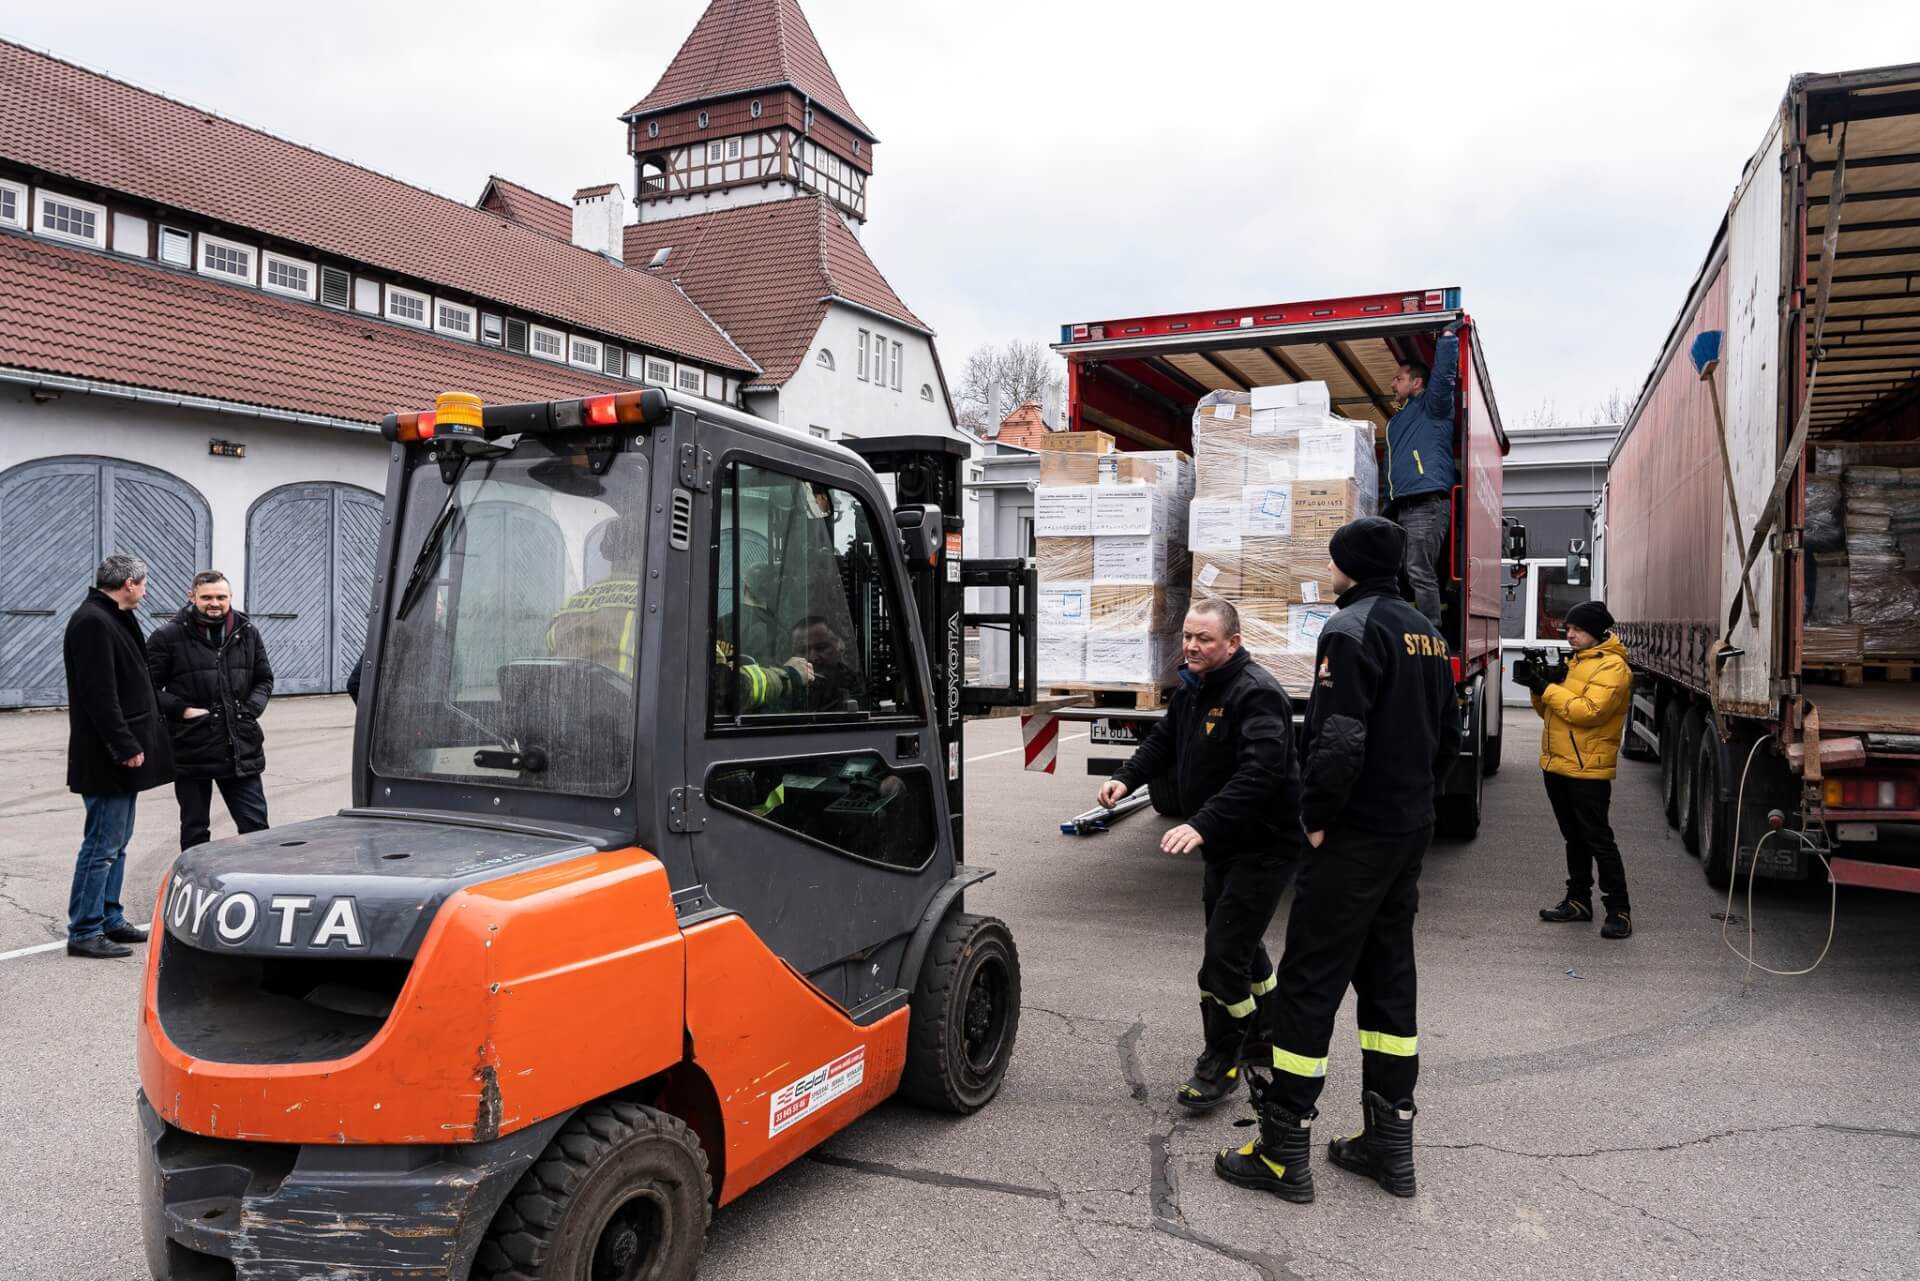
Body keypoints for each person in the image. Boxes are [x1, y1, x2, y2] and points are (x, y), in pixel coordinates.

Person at [1216, 516, 1456, 1203]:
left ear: (1349, 565)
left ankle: (1282, 1147)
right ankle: (1390, 1143)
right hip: (1405, 833)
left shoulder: (1349, 630)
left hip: (1351, 837)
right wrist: (1417, 804)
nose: (1329, 571)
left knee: (1309, 983)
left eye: (1333, 561)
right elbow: (1447, 737)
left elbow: (1340, 738)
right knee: (1388, 981)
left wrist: (1317, 819)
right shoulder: (1427, 632)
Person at [1098, 599, 1302, 1112]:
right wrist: (1125, 778)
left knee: (1221, 960)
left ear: (1232, 642)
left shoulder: (1256, 694)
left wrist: (1199, 823)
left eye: (1203, 639)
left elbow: (1260, 775)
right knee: (1239, 943)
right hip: (1226, 845)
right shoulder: (1194, 687)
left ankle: (1221, 1061)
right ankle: (1267, 1031)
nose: (1191, 646)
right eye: (1187, 636)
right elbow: (1164, 742)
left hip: (1264, 845)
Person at [62, 554, 175, 959]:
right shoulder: (93, 621)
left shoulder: (111, 616)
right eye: (143, 584)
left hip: (119, 753)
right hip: (106, 756)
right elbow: (99, 695)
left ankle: (109, 916)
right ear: (129, 582)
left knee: (118, 842)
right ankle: (85, 929)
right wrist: (124, 745)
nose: (145, 591)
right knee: (101, 845)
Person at [1519, 600, 1634, 939]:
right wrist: (1538, 687)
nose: (1570, 635)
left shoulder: (1613, 668)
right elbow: (1552, 713)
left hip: (1588, 769)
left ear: (1596, 633)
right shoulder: (1575, 663)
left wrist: (1547, 688)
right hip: (1557, 764)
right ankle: (1578, 900)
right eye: (1568, 629)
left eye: (1578, 630)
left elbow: (1587, 712)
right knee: (1574, 837)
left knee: (1598, 839)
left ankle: (1619, 910)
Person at [147, 571, 275, 850]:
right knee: (195, 831)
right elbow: (146, 688)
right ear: (191, 596)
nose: (214, 603)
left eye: (221, 597)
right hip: (192, 746)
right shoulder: (167, 636)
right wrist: (180, 710)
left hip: (240, 748)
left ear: (230, 598)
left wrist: (250, 710)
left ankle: (258, 886)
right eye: (206, 597)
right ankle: (197, 888)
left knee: (256, 828)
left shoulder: (247, 632)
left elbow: (264, 678)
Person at [1382, 322, 1461, 630]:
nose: (1392, 383)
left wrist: (1447, 339)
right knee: (1397, 570)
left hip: (1426, 504)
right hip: (1402, 505)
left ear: (1416, 383)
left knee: (1418, 569)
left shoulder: (1433, 406)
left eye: (1398, 378)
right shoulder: (1400, 419)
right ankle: (1399, 627)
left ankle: (1430, 633)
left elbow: (1443, 377)